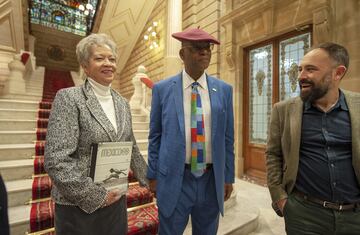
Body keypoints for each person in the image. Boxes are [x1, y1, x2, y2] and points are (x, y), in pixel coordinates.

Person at [44, 33, 148, 235]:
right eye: (99, 58)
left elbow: (131, 147)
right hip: (79, 207)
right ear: (85, 65)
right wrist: (95, 196)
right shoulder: (69, 98)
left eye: (112, 59)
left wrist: (151, 180)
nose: (108, 63)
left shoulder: (122, 103)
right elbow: (56, 160)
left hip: (116, 201)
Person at [146, 28, 235, 235]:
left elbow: (227, 138)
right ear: (182, 54)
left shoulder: (224, 90)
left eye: (208, 48)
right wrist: (153, 174)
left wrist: (228, 176)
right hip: (175, 179)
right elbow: (155, 136)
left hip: (211, 180)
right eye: (196, 48)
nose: (204, 52)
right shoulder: (162, 89)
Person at [266, 42, 360, 234]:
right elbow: (273, 154)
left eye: (311, 69)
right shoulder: (283, 110)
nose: (301, 76)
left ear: (338, 73)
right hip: (303, 215)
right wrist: (280, 198)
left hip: (354, 216)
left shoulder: (357, 107)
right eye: (300, 69)